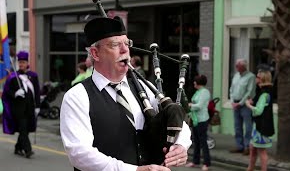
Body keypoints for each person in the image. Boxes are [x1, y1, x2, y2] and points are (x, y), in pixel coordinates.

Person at [60, 16, 192, 171]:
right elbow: (79, 154)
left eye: (127, 43)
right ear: (95, 53)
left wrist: (181, 144)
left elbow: (175, 118)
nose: (125, 50)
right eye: (115, 45)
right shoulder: (77, 96)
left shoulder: (143, 87)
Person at [2, 50, 40, 158]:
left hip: (30, 108)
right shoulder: (13, 76)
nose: (21, 64)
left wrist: (38, 106)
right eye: (20, 63)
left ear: (27, 63)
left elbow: (37, 92)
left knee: (26, 129)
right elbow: (6, 92)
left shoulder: (33, 76)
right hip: (18, 109)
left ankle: (18, 147)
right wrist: (15, 93)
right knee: (23, 128)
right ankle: (28, 150)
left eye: (23, 62)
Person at [245, 70, 275, 171]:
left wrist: (249, 105)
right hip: (258, 126)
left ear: (262, 79)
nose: (256, 78)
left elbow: (258, 111)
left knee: (262, 152)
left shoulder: (264, 93)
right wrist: (253, 103)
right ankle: (250, 169)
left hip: (261, 127)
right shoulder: (264, 91)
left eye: (257, 77)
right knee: (253, 149)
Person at [229, 59, 256, 155]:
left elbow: (250, 92)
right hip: (235, 104)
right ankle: (239, 146)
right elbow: (231, 89)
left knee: (248, 126)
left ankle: (247, 146)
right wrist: (232, 101)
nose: (236, 67)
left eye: (238, 66)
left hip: (246, 105)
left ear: (244, 66)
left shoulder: (251, 77)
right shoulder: (236, 76)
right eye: (236, 65)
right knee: (237, 126)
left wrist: (240, 103)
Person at [186, 75, 211, 171]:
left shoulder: (205, 92)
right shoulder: (198, 92)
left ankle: (206, 163)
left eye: (195, 81)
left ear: (198, 82)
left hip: (202, 120)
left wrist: (190, 105)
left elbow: (200, 106)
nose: (193, 83)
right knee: (196, 141)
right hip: (195, 119)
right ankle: (195, 161)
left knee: (203, 142)